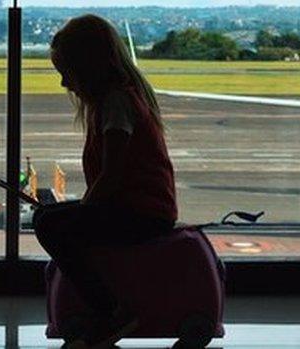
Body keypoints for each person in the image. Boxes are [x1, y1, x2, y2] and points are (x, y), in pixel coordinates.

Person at [32, 14, 178, 349]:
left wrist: (84, 209)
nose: (65, 84)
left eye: (67, 74)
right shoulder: (118, 99)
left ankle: (113, 312)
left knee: (50, 225)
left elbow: (112, 174)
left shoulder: (115, 103)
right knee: (48, 218)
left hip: (142, 212)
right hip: (141, 208)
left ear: (88, 68)